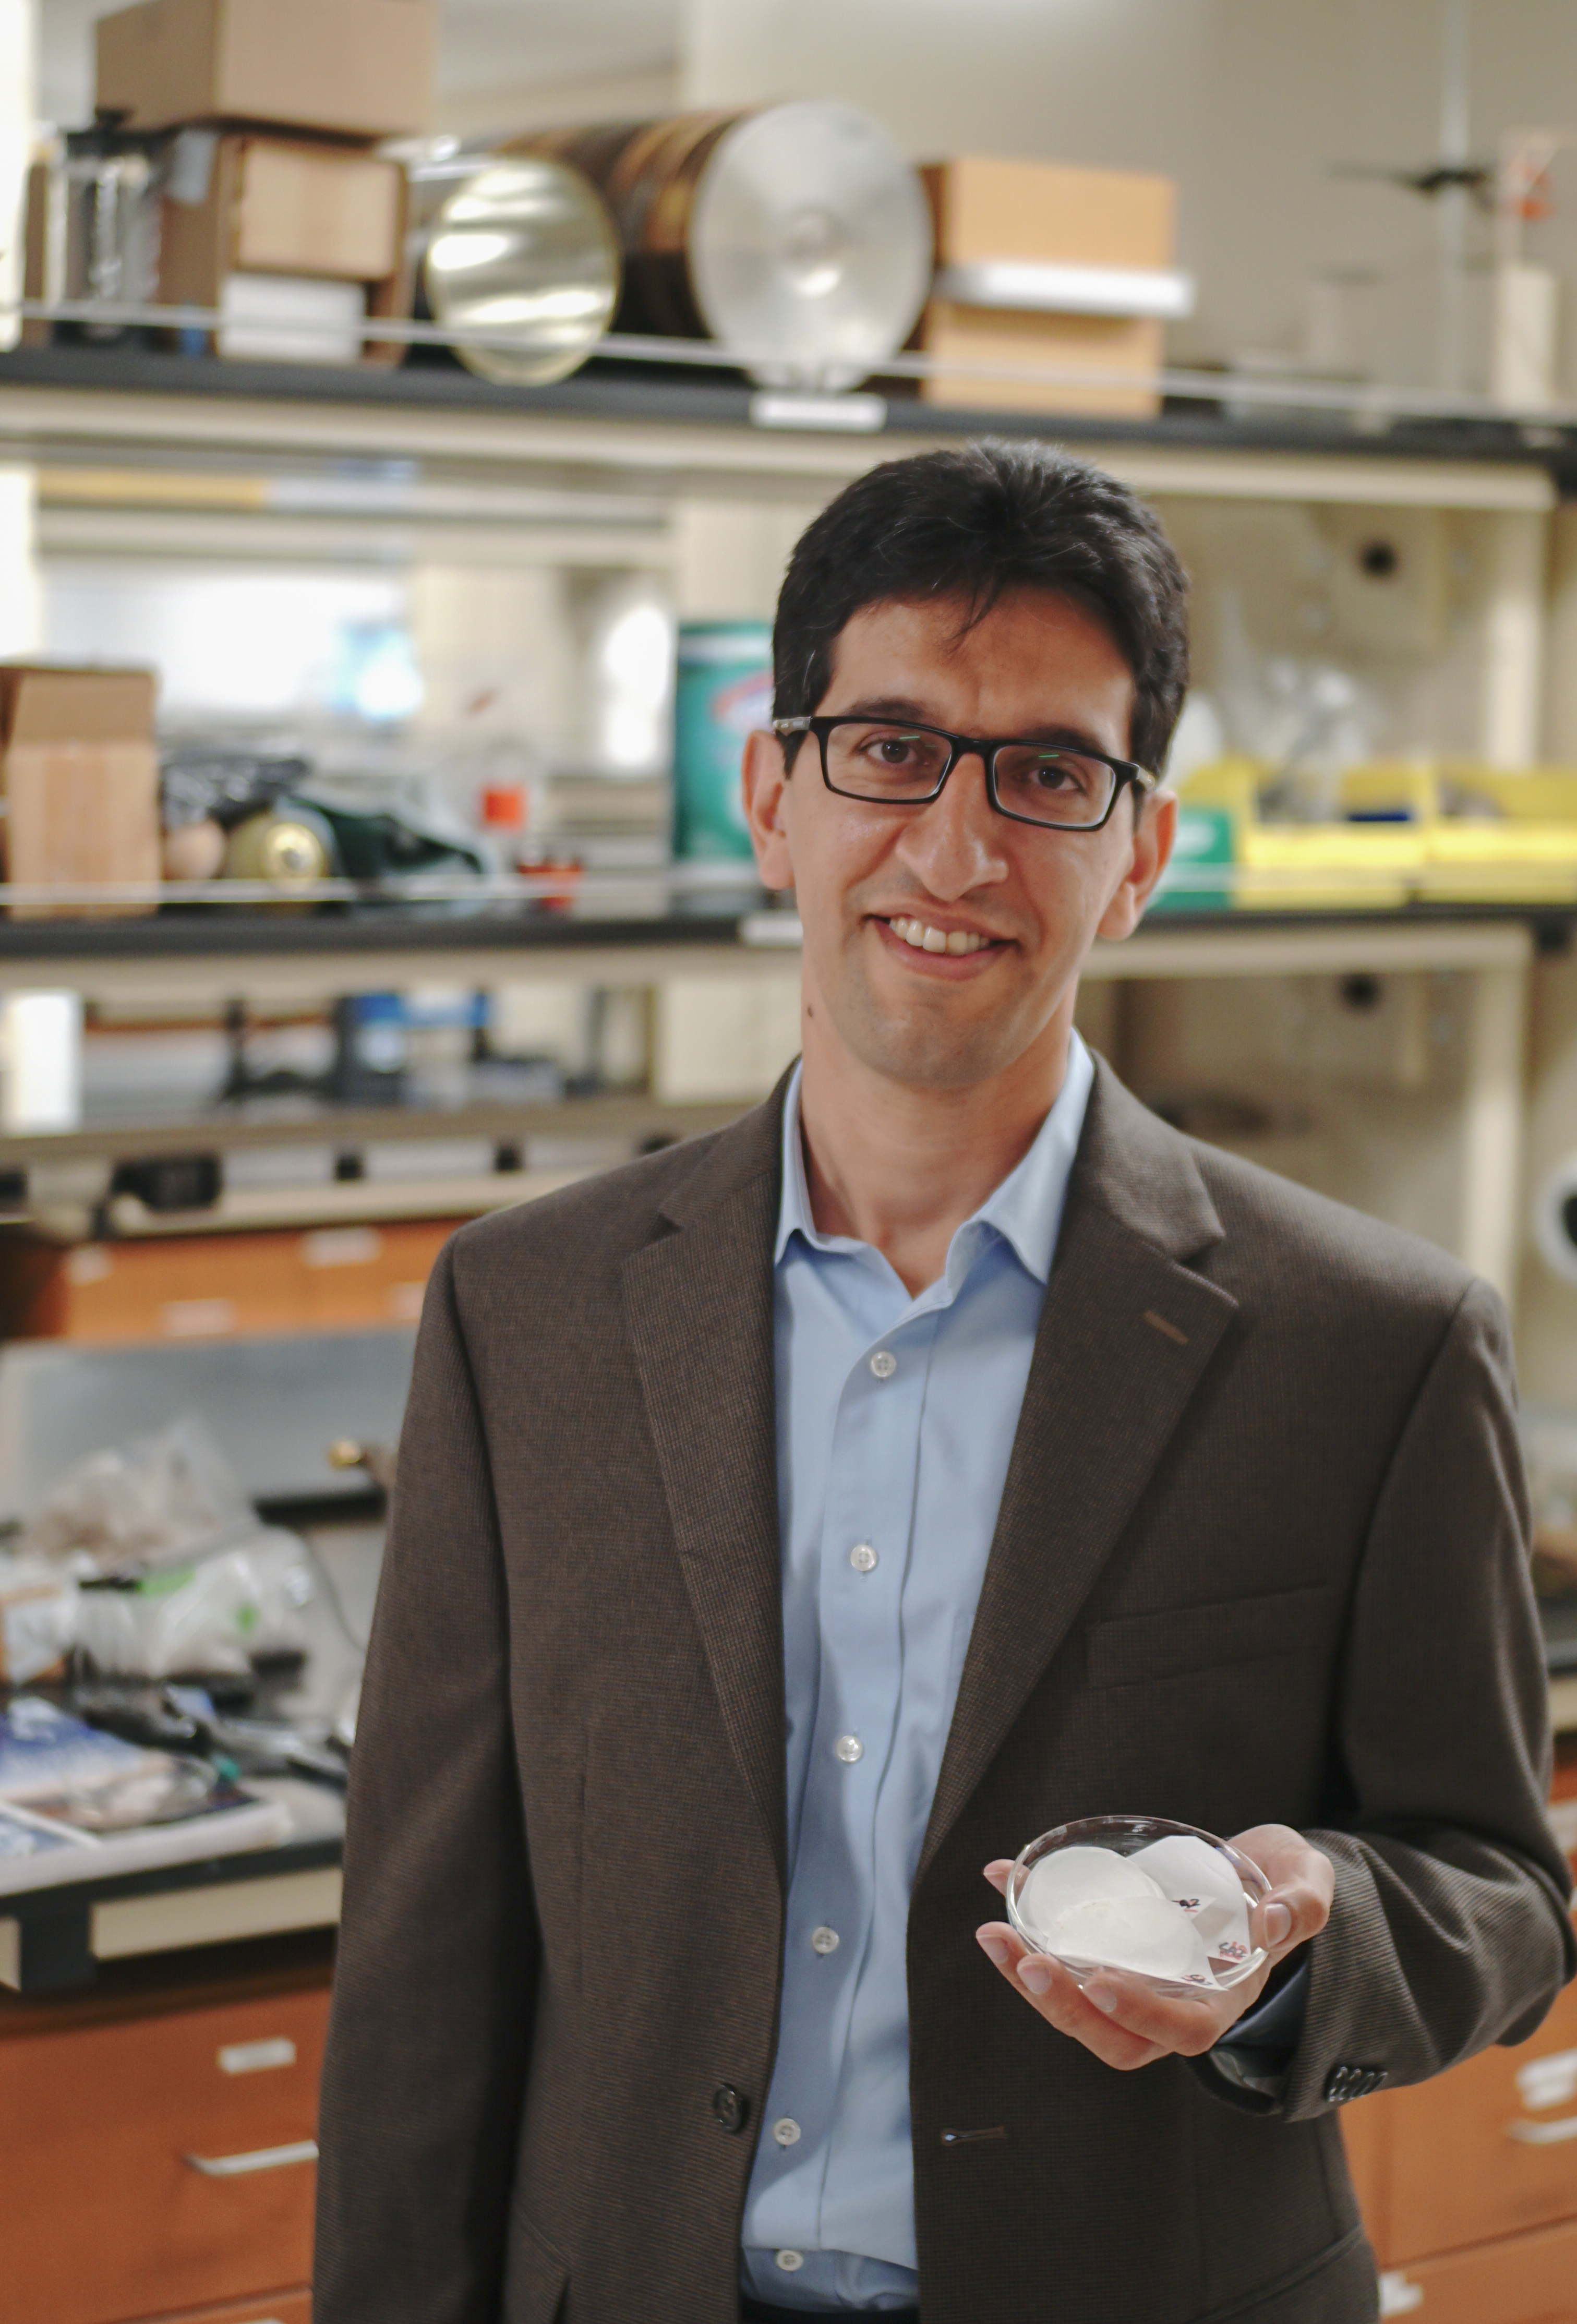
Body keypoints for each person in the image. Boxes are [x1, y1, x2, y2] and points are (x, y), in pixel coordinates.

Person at [314, 441, 1574, 2324]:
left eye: (1050, 775)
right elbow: (426, 1965)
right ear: (775, 795)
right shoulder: (532, 1317)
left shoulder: (1369, 1345)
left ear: (1138, 853)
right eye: (890, 747)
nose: (958, 851)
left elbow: (1502, 1892)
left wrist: (1301, 1946)